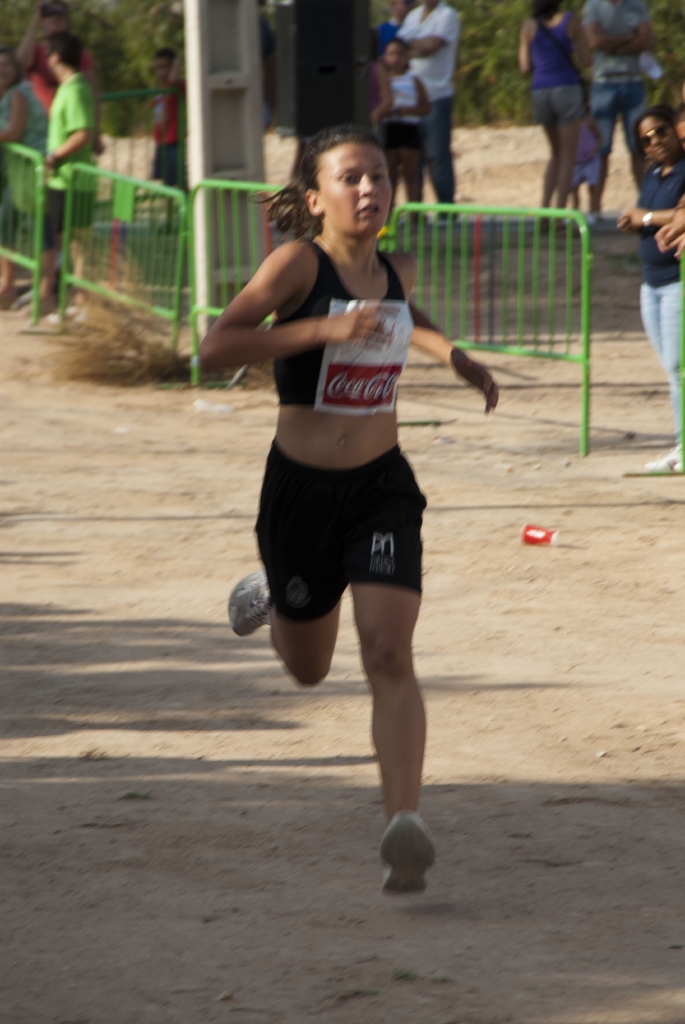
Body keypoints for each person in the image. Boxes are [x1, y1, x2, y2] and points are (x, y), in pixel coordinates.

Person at [199, 124, 498, 893]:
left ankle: (404, 825)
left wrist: (455, 357)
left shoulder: (395, 268)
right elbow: (217, 345)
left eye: (379, 176)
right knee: (308, 670)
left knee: (388, 652)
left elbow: (406, 316)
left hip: (379, 489)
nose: (369, 189)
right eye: (350, 178)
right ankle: (276, 596)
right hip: (299, 491)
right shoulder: (296, 265)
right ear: (314, 198)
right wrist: (324, 327)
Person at [618, 106, 685, 473]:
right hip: (651, 283)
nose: (655, 141)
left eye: (661, 132)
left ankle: (682, 446)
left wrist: (642, 217)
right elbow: (653, 218)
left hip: (677, 282)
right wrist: (637, 224)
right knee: (672, 369)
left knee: (678, 368)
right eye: (646, 139)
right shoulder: (653, 175)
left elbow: (678, 215)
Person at [519, 0, 591, 211]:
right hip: (566, 87)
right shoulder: (571, 20)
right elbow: (587, 59)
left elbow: (524, 66)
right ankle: (559, 214)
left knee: (555, 154)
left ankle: (544, 211)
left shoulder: (528, 25)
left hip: (540, 89)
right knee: (568, 156)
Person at [582, 0, 653, 210]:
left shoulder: (636, 5)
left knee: (639, 146)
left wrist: (611, 44)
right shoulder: (593, 6)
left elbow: (646, 40)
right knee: (601, 147)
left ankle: (645, 203)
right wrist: (630, 38)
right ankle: (594, 208)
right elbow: (595, 41)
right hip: (604, 82)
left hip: (633, 80)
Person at [0, 46, 56, 311]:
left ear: (16, 68)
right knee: (5, 225)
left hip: (33, 168)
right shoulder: (8, 94)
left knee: (41, 230)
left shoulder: (17, 94)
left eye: (6, 65)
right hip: (19, 169)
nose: (2, 70)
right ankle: (7, 285)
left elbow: (14, 131)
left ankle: (45, 293)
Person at [16, 1, 102, 153]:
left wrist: (96, 133)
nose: (55, 19)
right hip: (39, 129)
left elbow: (93, 93)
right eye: (50, 15)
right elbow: (19, 64)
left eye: (60, 15)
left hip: (70, 125)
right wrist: (36, 22)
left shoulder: (79, 53)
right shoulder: (36, 51)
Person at [397, 0, 460, 205]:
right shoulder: (413, 16)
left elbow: (430, 46)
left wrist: (410, 46)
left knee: (438, 156)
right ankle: (417, 212)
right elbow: (400, 45)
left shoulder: (447, 15)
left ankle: (446, 210)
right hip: (409, 98)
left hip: (436, 97)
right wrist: (416, 47)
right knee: (413, 158)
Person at [44, 32, 94, 264]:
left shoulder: (75, 89)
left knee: (77, 243)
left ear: (56, 57)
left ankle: (75, 286)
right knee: (61, 241)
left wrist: (54, 155)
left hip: (73, 181)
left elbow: (82, 133)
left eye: (47, 53)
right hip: (62, 180)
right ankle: (61, 281)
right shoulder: (68, 88)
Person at [382, 38, 431, 205]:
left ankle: (414, 215)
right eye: (391, 54)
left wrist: (408, 110)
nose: (396, 58)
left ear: (407, 57)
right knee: (390, 176)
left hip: (409, 128)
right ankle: (388, 215)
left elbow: (426, 107)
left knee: (411, 175)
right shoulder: (383, 79)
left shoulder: (414, 80)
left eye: (400, 53)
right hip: (389, 128)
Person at [150, 48, 185, 188]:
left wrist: (177, 63)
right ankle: (170, 203)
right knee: (165, 182)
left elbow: (173, 79)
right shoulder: (161, 89)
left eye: (164, 67)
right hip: (161, 140)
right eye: (157, 68)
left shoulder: (177, 85)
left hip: (173, 140)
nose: (160, 72)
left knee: (176, 181)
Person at [571, 100, 603, 222]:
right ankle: (575, 211)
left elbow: (600, 138)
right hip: (577, 161)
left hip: (590, 160)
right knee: (573, 188)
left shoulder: (589, 121)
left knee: (592, 187)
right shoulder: (572, 123)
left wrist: (594, 151)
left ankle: (593, 211)